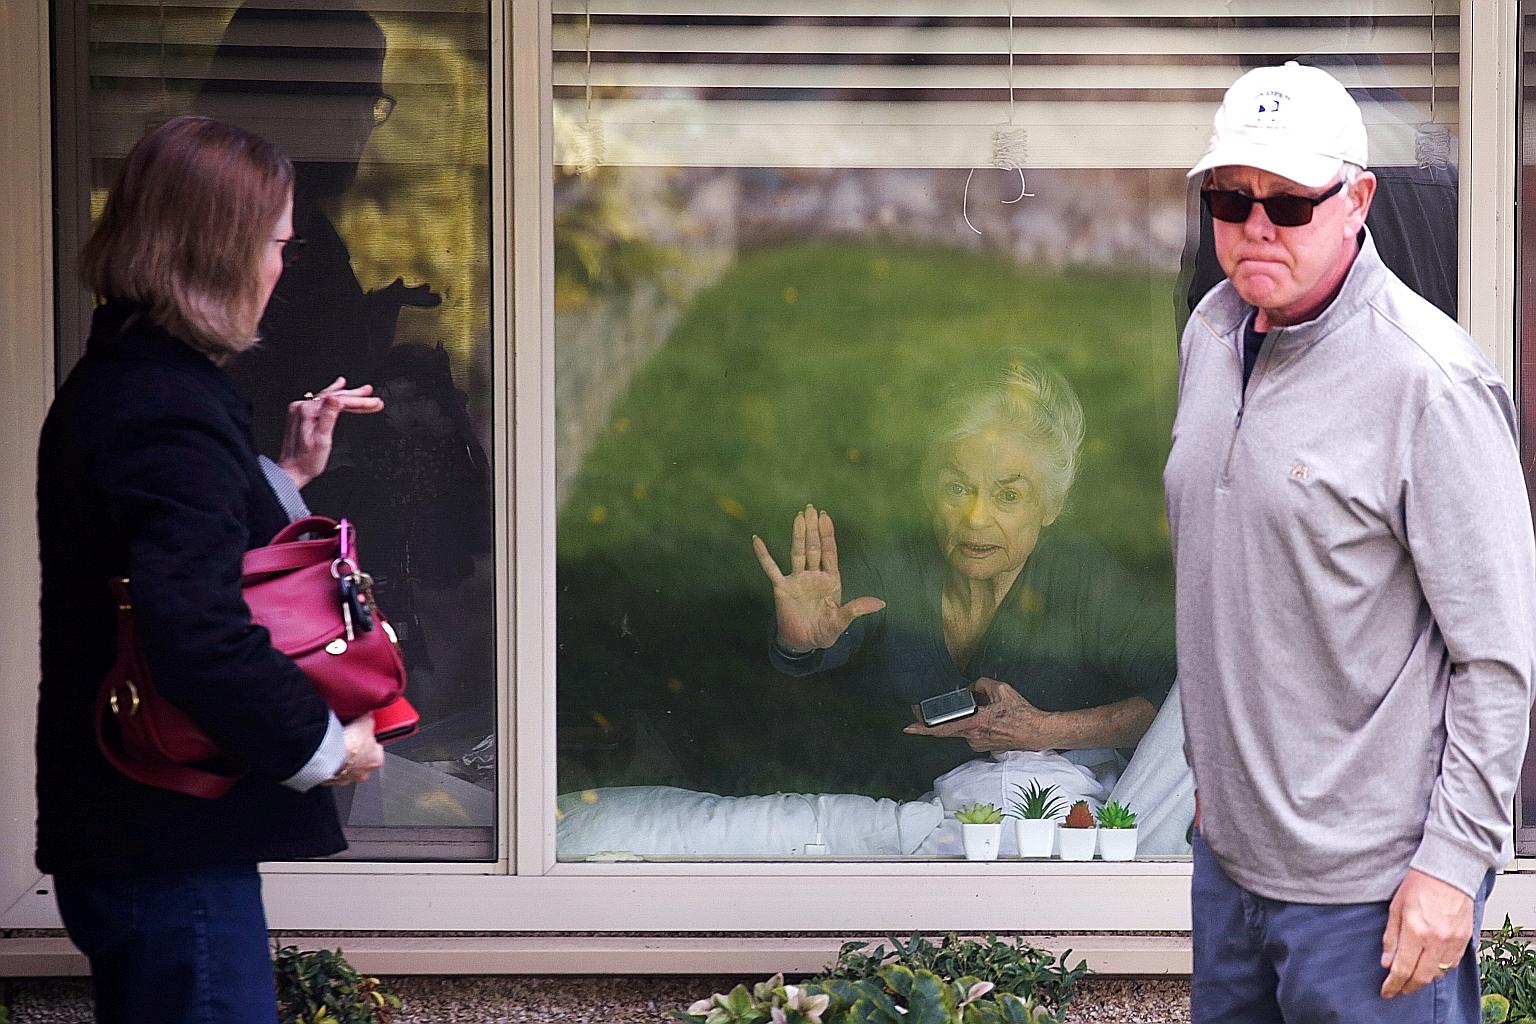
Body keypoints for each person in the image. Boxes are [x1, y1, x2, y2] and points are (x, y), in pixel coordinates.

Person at [1165, 61, 1536, 1022]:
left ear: (1357, 200)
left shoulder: (1430, 385)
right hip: (1231, 869)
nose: (1255, 225)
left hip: (1373, 896)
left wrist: (1452, 869)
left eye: (1288, 203)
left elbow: (1497, 661)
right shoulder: (1210, 335)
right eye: (1230, 197)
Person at [35, 115, 387, 1024]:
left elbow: (169, 550)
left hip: (145, 837)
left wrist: (281, 477)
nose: (284, 267)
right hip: (167, 837)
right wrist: (325, 748)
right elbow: (194, 624)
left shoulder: (132, 377)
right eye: (279, 244)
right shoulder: (165, 403)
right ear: (221, 252)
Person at [752, 356, 1175, 790]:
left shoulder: (1084, 581)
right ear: (930, 488)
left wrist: (1045, 730)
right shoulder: (896, 564)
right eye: (958, 488)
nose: (976, 519)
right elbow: (816, 643)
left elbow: (1183, 697)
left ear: (1051, 505)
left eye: (1008, 495)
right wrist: (799, 645)